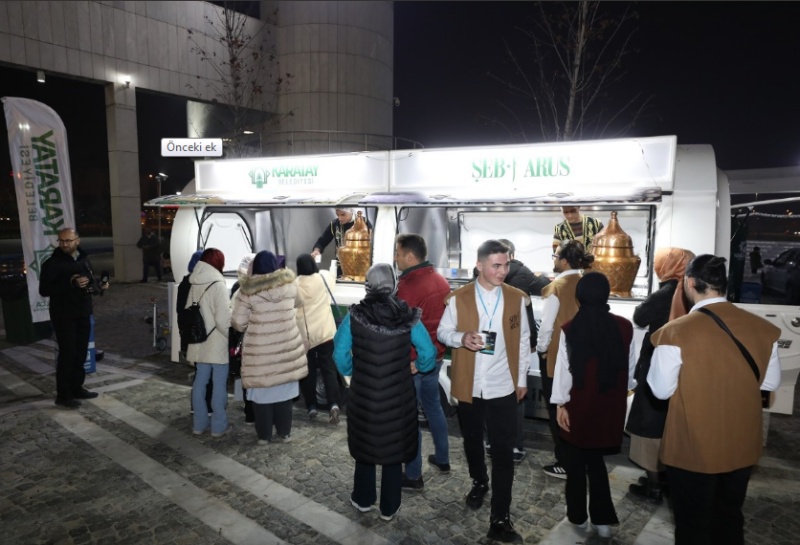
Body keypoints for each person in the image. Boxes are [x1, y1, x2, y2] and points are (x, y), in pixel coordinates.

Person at [648, 254, 782, 545]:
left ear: (690, 283)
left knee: (693, 525)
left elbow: (659, 390)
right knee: (729, 517)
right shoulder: (763, 328)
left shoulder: (675, 332)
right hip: (741, 444)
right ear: (724, 284)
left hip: (692, 446)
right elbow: (770, 383)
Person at [438, 239, 530, 544]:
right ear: (479, 265)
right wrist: (461, 338)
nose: (503, 271)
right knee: (472, 441)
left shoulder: (517, 299)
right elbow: (442, 332)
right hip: (470, 384)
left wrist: (521, 379)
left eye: (506, 265)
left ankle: (500, 518)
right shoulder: (459, 298)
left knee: (503, 451)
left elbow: (524, 341)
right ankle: (479, 481)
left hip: (503, 385)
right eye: (496, 265)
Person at [333, 263, 436, 521]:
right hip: (398, 397)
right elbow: (428, 352)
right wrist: (418, 366)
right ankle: (389, 507)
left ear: (367, 285)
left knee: (364, 446)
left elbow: (339, 353)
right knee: (394, 449)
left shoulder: (354, 315)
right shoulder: (406, 315)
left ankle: (363, 499)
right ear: (394, 284)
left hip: (364, 396)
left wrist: (352, 370)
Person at [551, 272, 636, 539]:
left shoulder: (570, 328)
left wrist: (560, 404)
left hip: (580, 404)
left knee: (575, 461)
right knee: (596, 461)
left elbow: (564, 372)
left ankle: (577, 516)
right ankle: (603, 520)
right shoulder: (625, 327)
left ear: (579, 297)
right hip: (609, 404)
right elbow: (630, 371)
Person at [626, 247, 695, 503]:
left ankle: (653, 485)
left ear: (666, 266)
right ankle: (667, 480)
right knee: (671, 423)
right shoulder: (693, 291)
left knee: (650, 423)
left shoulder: (667, 291)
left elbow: (640, 317)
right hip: (686, 366)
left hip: (657, 363)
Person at [394, 234, 452, 490]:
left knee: (409, 418)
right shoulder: (440, 280)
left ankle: (413, 474)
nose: (395, 258)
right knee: (433, 408)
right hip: (435, 357)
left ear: (409, 256)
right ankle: (443, 458)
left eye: (398, 253)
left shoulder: (408, 287)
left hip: (413, 362)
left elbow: (400, 328)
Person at [232, 251, 308, 444]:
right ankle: (284, 433)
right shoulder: (289, 285)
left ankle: (264, 436)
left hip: (260, 353)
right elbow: (300, 301)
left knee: (261, 395)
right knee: (284, 393)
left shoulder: (247, 291)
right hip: (286, 350)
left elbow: (238, 324)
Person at [537, 240, 594, 479]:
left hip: (558, 356)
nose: (554, 260)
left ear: (564, 261)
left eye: (555, 256)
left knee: (557, 409)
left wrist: (541, 349)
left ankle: (565, 461)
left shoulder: (557, 287)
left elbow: (547, 325)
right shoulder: (586, 283)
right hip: (583, 354)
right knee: (577, 408)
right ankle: (579, 459)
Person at [39, 228, 109, 408]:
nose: (64, 244)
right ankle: (63, 395)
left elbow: (89, 280)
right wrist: (70, 283)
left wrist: (99, 286)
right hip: (63, 315)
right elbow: (44, 289)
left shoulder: (84, 259)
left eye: (68, 240)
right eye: (61, 241)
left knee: (80, 352)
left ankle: (77, 388)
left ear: (77, 240)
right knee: (67, 354)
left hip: (83, 312)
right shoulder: (52, 263)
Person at [499, 238, 550, 464]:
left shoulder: (484, 271)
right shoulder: (522, 271)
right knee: (517, 392)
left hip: (494, 340)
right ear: (512, 254)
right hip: (518, 338)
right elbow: (544, 287)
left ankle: (492, 441)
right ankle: (515, 446)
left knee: (493, 389)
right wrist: (540, 277)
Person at [187, 249, 232, 437]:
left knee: (200, 382)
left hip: (198, 341)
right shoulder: (218, 284)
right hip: (216, 342)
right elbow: (223, 320)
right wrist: (232, 336)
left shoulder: (194, 282)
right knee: (219, 384)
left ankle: (199, 424)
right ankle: (218, 426)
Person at [295, 253, 341, 424]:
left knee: (308, 372)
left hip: (305, 336)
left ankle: (312, 407)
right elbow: (333, 274)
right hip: (325, 333)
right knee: (329, 369)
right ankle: (334, 404)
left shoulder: (295, 284)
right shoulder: (323, 278)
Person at [179, 250, 215, 417]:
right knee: (208, 373)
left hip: (191, 335)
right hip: (204, 335)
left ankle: (196, 406)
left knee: (200, 373)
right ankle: (207, 407)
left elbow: (181, 313)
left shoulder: (185, 283)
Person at [230, 253, 256, 425]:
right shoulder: (266, 288)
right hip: (258, 340)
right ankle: (259, 411)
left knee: (247, 376)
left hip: (244, 340)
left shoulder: (237, 288)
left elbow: (235, 319)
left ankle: (250, 412)